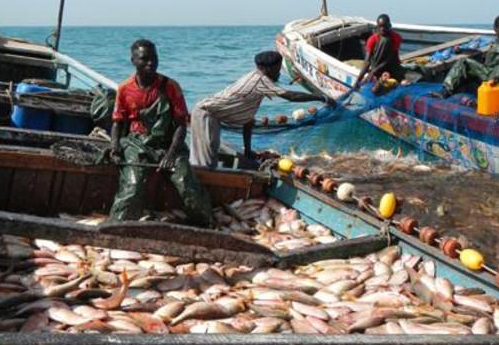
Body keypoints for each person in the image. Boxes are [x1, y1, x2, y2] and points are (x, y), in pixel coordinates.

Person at [108, 39, 212, 225]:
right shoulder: (124, 89)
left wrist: (171, 153)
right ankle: (117, 225)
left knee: (186, 184)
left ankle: (205, 224)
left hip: (168, 144)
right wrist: (114, 147)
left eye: (154, 58)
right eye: (144, 59)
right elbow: (117, 122)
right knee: (133, 186)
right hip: (136, 143)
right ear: (133, 61)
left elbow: (181, 125)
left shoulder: (171, 86)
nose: (151, 63)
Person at [190, 51, 334, 169]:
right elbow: (291, 96)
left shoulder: (256, 81)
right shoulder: (260, 81)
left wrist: (247, 151)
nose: (279, 73)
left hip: (210, 115)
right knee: (205, 162)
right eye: (278, 69)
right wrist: (321, 97)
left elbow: (248, 122)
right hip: (206, 114)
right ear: (268, 69)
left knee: (208, 157)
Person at [437, 15, 499, 98]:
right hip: (488, 71)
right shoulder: (495, 42)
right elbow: (484, 55)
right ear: (495, 29)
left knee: (464, 62)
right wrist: (462, 50)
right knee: (467, 68)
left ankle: (446, 91)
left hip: (495, 76)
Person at [353, 14, 405, 89]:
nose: (382, 29)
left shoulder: (396, 37)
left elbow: (391, 58)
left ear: (390, 26)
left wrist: (373, 72)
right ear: (377, 27)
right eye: (380, 26)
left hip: (391, 65)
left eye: (385, 26)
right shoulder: (372, 40)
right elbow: (367, 62)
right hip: (377, 66)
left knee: (385, 40)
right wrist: (358, 81)